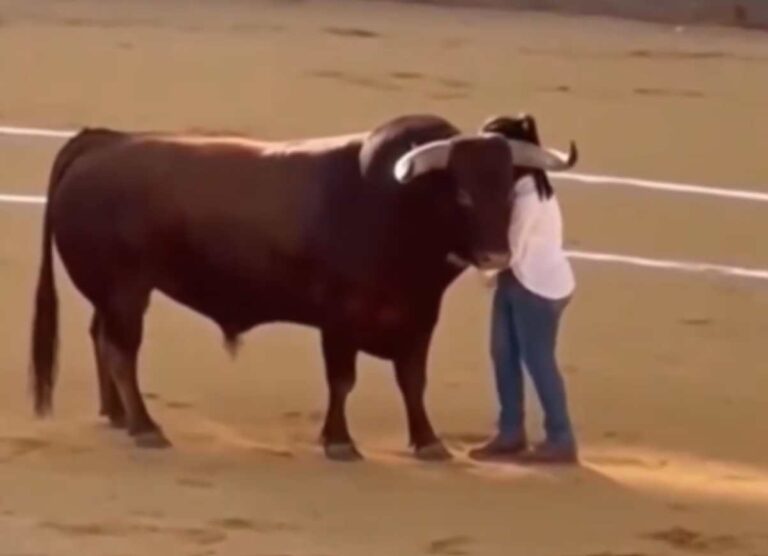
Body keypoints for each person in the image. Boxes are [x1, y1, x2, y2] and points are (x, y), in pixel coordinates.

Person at [469, 115, 578, 464]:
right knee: (502, 354)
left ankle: (561, 438)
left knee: (538, 361)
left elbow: (509, 250)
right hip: (518, 280)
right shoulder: (524, 187)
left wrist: (480, 269)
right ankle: (511, 432)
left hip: (536, 288)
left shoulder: (530, 197)